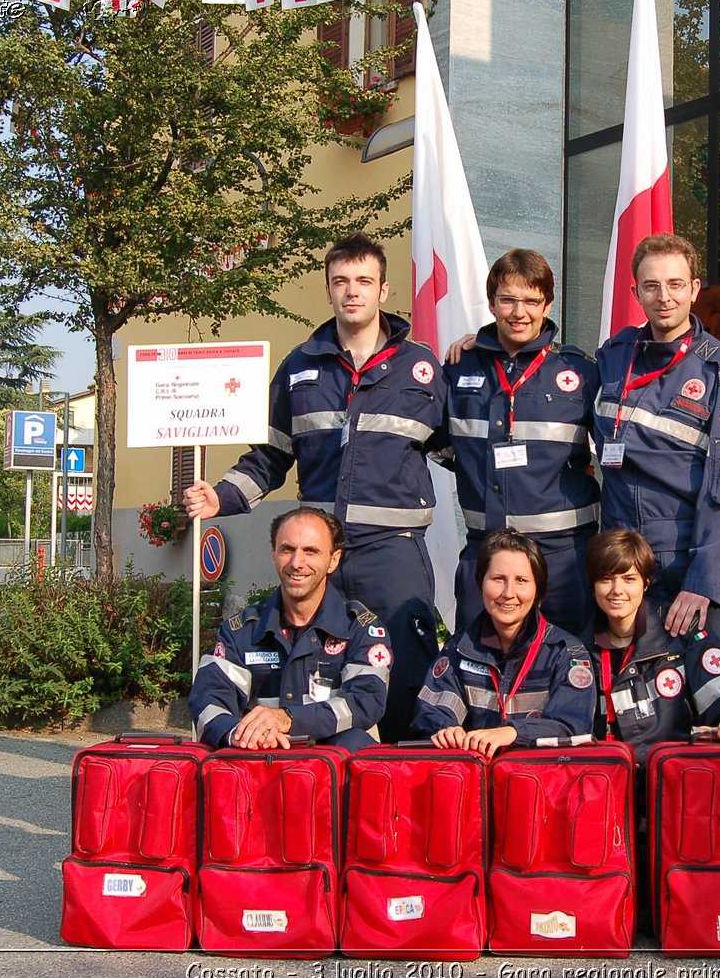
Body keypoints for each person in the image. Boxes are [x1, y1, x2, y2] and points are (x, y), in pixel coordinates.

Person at [184, 232, 443, 744]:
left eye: (364, 281)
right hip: (320, 553)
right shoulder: (299, 367)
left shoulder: (423, 369)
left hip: (393, 554)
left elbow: (466, 451)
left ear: (383, 290)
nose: (353, 292)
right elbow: (272, 454)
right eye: (341, 281)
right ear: (328, 289)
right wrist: (223, 496)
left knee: (406, 669)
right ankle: (315, 780)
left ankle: (397, 783)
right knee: (313, 671)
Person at [591, 232, 720, 671]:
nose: (663, 297)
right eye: (651, 286)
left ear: (694, 289)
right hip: (627, 571)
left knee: (717, 712)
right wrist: (483, 345)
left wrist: (703, 583)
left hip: (694, 564)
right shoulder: (613, 357)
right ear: (635, 293)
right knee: (639, 711)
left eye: (675, 284)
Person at [441, 248, 600, 638]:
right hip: (486, 554)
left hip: (564, 558)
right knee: (479, 666)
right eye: (508, 300)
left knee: (570, 668)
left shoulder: (580, 371)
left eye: (531, 301)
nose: (519, 312)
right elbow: (443, 446)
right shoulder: (460, 368)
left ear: (548, 304)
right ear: (492, 302)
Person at [190, 507, 390, 752]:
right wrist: (237, 734)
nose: (297, 563)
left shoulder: (361, 629)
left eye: (311, 551)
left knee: (359, 747)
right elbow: (208, 700)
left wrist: (289, 719)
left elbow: (366, 701)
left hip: (335, 774)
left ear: (333, 560)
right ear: (274, 554)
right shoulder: (240, 632)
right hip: (262, 766)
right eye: (287, 549)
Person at [413, 528, 595, 756]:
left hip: (542, 782)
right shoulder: (458, 650)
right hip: (477, 781)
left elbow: (572, 724)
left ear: (538, 589)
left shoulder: (567, 654)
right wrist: (446, 730)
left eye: (521, 580)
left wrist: (514, 733)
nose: (508, 593)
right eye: (498, 579)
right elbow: (432, 709)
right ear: (481, 584)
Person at [585, 528, 720, 762]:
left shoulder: (681, 634)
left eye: (629, 579)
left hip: (673, 779)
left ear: (645, 583)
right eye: (606, 579)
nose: (617, 590)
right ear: (593, 584)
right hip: (607, 780)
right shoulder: (578, 648)